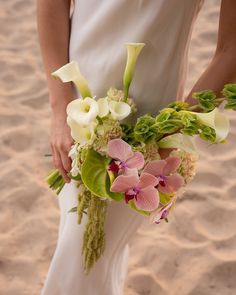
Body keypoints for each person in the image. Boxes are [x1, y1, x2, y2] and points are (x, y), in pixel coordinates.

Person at [37, 0, 236, 294]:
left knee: (89, 254)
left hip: (150, 127)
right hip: (78, 107)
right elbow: (52, 5)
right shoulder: (70, 111)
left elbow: (231, 48)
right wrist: (61, 109)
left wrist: (174, 129)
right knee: (89, 253)